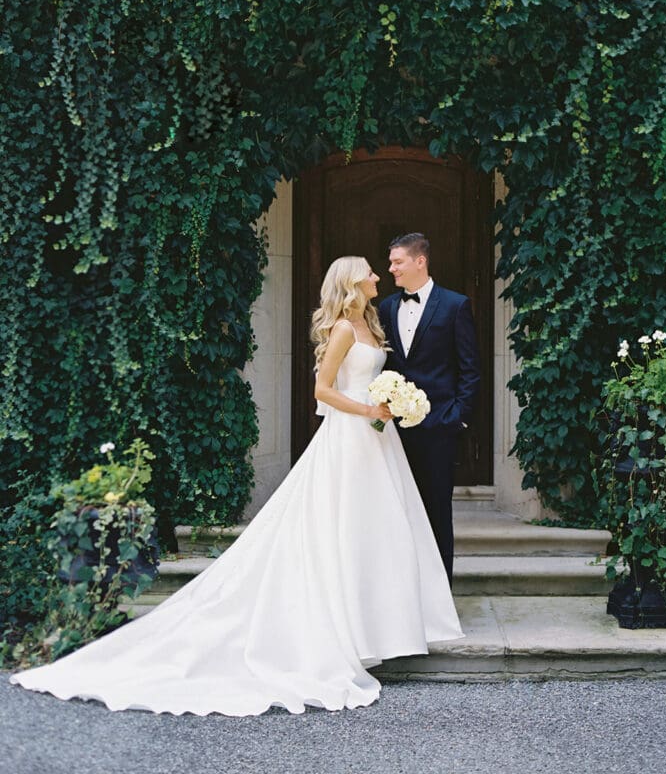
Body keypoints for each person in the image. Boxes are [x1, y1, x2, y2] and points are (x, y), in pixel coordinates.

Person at [10, 257, 462, 716]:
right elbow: (322, 391)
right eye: (369, 272)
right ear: (350, 282)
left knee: (376, 532)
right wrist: (368, 410)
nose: (377, 277)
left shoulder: (370, 322)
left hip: (377, 443)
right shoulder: (344, 330)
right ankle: (342, 629)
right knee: (342, 529)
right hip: (350, 438)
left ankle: (374, 629)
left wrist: (389, 400)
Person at [378, 234, 481, 583]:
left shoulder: (455, 305)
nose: (391, 269)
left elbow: (470, 369)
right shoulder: (387, 307)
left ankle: (440, 595)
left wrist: (456, 418)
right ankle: (403, 592)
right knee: (397, 510)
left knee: (437, 510)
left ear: (419, 261)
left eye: (397, 262)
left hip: (439, 427)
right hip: (395, 429)